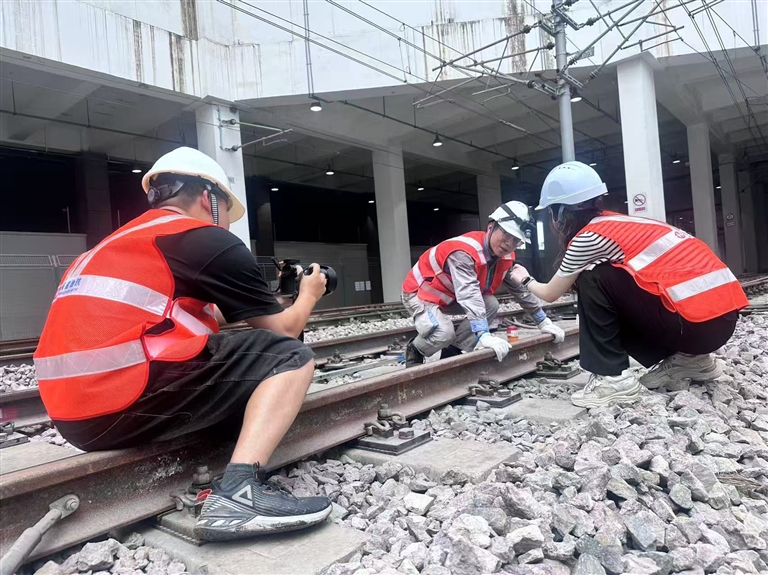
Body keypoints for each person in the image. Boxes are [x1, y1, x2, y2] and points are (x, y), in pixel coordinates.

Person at [33, 147, 333, 541]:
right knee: (288, 356)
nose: (227, 224)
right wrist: (309, 295)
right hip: (122, 399)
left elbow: (182, 314)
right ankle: (240, 493)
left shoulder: (115, 245)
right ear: (210, 198)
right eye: (227, 212)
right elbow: (285, 331)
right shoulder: (204, 238)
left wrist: (269, 300)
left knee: (241, 366)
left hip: (76, 420)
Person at [509, 161, 748, 408]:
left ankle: (612, 378)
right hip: (722, 324)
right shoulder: (622, 223)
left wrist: (524, 279)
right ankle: (691, 359)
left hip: (695, 327)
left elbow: (550, 293)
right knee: (612, 277)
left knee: (592, 277)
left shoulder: (588, 237)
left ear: (559, 214)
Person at [401, 201, 566, 367]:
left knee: (490, 304)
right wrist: (483, 334)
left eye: (516, 240)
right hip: (420, 293)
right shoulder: (463, 253)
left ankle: (453, 352)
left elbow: (519, 290)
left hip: (450, 295)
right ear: (491, 227)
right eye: (506, 234)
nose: (509, 243)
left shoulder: (505, 257)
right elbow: (469, 293)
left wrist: (543, 321)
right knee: (444, 333)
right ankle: (415, 350)